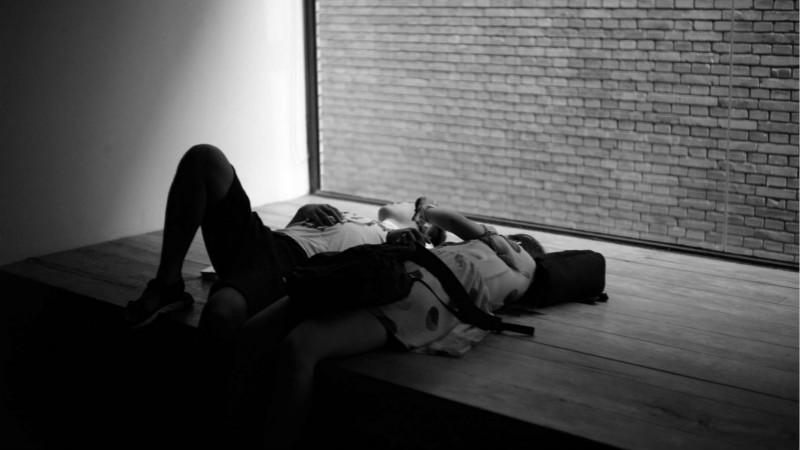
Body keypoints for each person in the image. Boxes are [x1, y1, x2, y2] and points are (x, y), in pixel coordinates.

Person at [230, 197, 545, 449]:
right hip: (412, 284)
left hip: (417, 287)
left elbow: (450, 220)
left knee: (297, 345)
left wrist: (425, 208)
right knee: (286, 341)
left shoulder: (520, 259)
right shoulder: (500, 271)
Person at [124, 144, 438, 342]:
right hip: (268, 240)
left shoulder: (399, 246)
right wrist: (305, 211)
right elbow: (297, 230)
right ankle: (167, 284)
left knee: (222, 312)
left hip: (294, 269)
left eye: (412, 210)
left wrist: (402, 242)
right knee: (204, 157)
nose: (401, 204)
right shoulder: (359, 217)